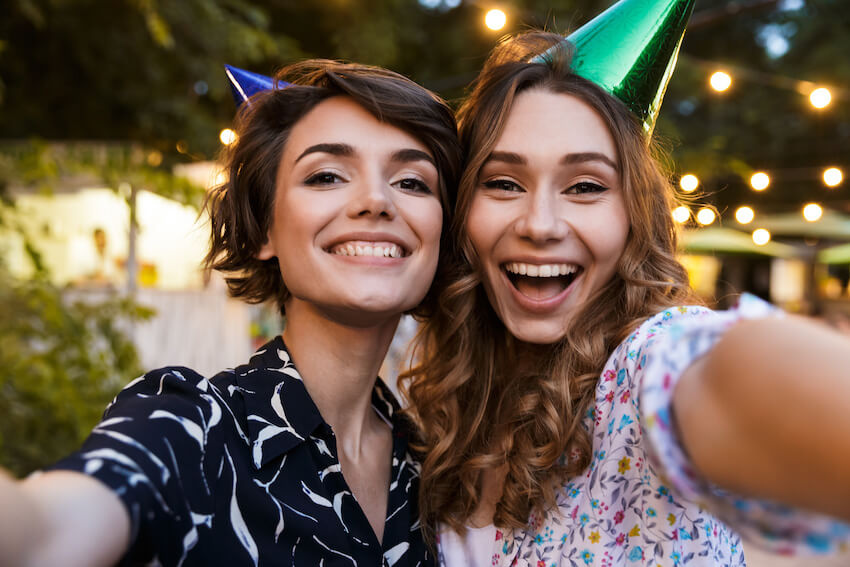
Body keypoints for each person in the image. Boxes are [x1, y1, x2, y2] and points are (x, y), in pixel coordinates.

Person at [400, 5, 850, 566]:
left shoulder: (646, 366)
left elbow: (721, 369)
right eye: (504, 182)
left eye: (585, 186)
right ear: (463, 208)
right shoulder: (447, 414)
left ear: (634, 215)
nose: (539, 224)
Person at [0, 59, 461, 566]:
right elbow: (44, 530)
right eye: (327, 175)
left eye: (413, 182)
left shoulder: (433, 468)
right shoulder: (191, 426)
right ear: (265, 229)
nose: (375, 200)